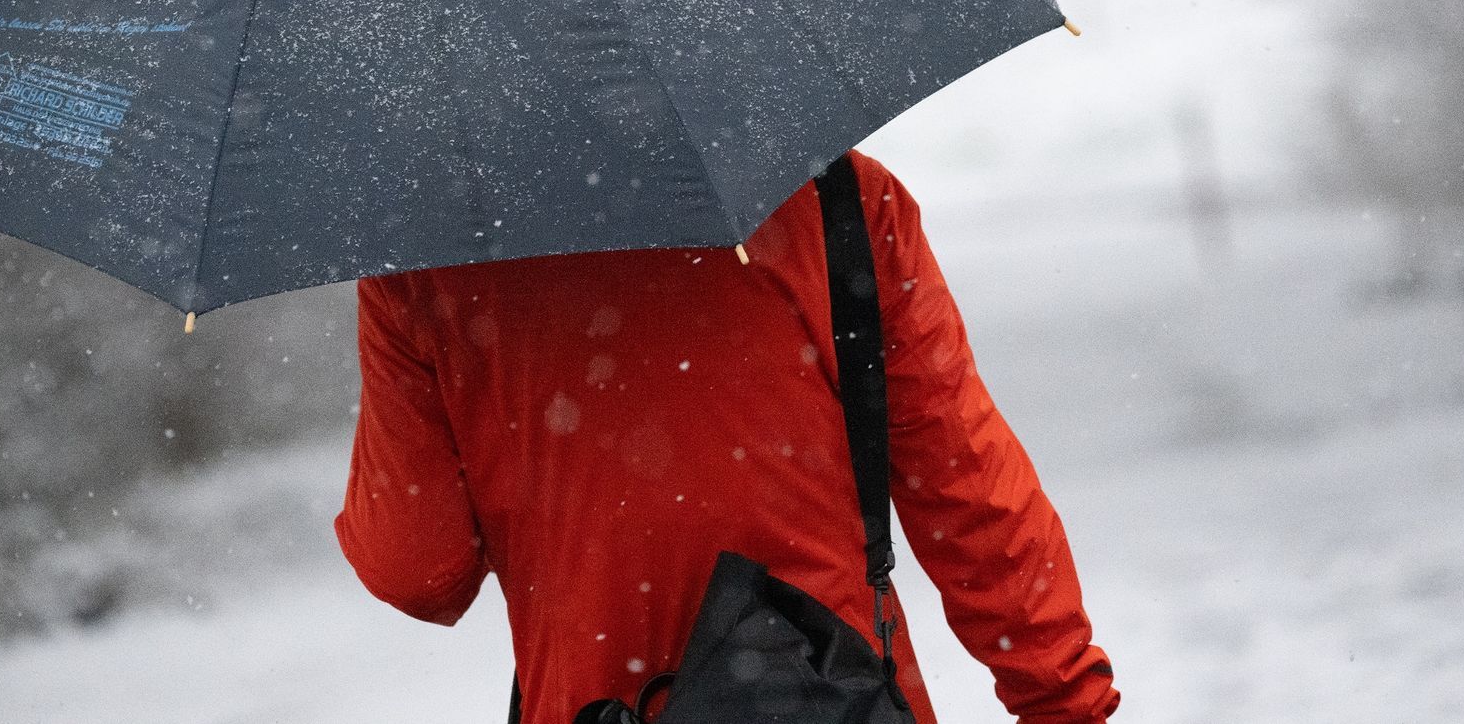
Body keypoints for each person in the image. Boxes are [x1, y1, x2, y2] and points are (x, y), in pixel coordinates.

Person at [336, 150, 1118, 724]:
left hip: (597, 706)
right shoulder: (834, 199)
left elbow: (417, 568)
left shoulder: (427, 263)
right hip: (831, 697)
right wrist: (1065, 701)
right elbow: (968, 487)